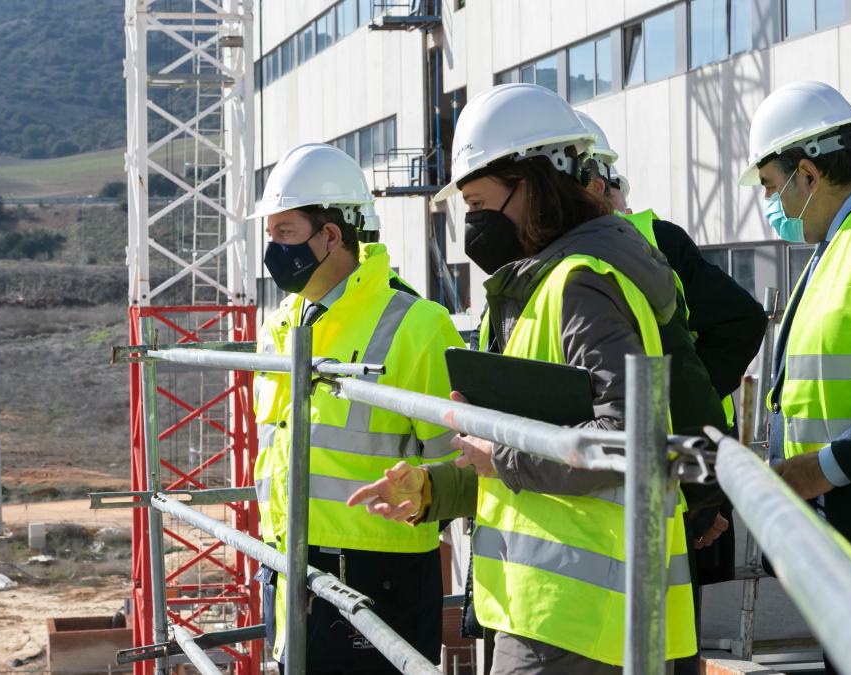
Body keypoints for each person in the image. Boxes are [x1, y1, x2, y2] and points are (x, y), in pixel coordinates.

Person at [349, 83, 697, 674]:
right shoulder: (534, 291)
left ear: (538, 183)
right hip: (562, 615)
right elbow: (509, 458)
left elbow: (628, 441)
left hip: (585, 623)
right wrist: (434, 490)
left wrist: (501, 457)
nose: (474, 223)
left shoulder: (581, 287)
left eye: (482, 202)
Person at [249, 143, 464, 673]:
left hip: (379, 575)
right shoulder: (283, 324)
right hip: (287, 559)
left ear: (331, 235)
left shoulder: (416, 323)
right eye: (270, 235)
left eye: (286, 234)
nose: (273, 249)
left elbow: (455, 462)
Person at [573, 109, 768, 673]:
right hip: (608, 481)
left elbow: (738, 324)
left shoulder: (653, 240)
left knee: (671, 630)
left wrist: (704, 489)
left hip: (670, 474)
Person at [740, 80, 851, 671]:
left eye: (771, 186)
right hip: (838, 538)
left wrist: (824, 467)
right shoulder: (838, 241)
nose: (773, 205)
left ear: (808, 175)